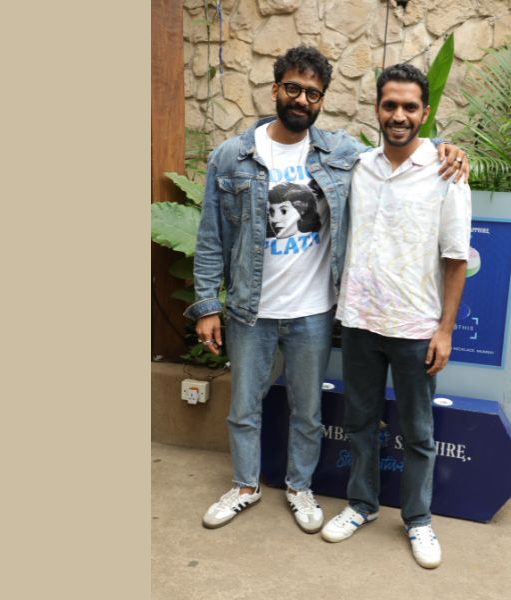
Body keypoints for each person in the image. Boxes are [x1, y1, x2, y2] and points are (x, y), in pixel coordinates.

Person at [184, 47, 469, 534]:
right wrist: (208, 305)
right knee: (244, 408)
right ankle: (245, 485)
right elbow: (211, 237)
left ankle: (299, 487)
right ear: (275, 89)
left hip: (314, 311)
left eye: (312, 93)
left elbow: (403, 141)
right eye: (293, 89)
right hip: (251, 310)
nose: (301, 99)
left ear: (322, 100)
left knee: (308, 411)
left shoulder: (339, 153)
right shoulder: (232, 157)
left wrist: (447, 147)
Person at [321, 63, 472, 569]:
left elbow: (456, 259)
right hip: (360, 321)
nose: (399, 115)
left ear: (425, 112)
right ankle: (361, 505)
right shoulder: (357, 167)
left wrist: (445, 330)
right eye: (390, 105)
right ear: (377, 109)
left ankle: (418, 519)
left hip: (415, 328)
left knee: (419, 433)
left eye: (410, 106)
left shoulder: (447, 173)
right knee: (360, 422)